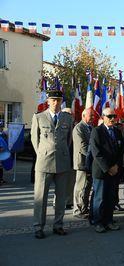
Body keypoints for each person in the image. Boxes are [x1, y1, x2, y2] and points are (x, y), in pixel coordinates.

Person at [30, 90, 74, 239]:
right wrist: (43, 153)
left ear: (61, 101)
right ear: (48, 101)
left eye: (58, 100)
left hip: (62, 162)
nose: (56, 103)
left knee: (61, 197)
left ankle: (58, 225)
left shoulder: (67, 118)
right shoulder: (39, 117)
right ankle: (38, 226)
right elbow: (34, 140)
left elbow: (68, 140)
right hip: (44, 162)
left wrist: (61, 153)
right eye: (53, 100)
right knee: (40, 197)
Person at [90, 108, 124, 233]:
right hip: (101, 171)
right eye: (109, 116)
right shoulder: (97, 131)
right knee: (99, 199)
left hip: (114, 170)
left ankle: (109, 221)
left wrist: (116, 166)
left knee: (110, 198)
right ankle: (98, 222)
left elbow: (121, 151)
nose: (112, 119)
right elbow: (96, 153)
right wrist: (108, 168)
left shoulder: (117, 131)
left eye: (114, 116)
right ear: (103, 117)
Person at [72, 109, 94, 219]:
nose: (92, 118)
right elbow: (82, 146)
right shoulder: (78, 128)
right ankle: (77, 210)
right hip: (82, 161)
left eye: (93, 116)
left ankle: (84, 207)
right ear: (83, 115)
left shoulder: (91, 127)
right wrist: (94, 155)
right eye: (90, 116)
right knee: (80, 187)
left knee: (87, 186)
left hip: (90, 161)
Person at [0, 120, 7, 185]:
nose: (1, 128)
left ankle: (1, 179)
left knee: (1, 167)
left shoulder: (3, 134)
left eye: (2, 127)